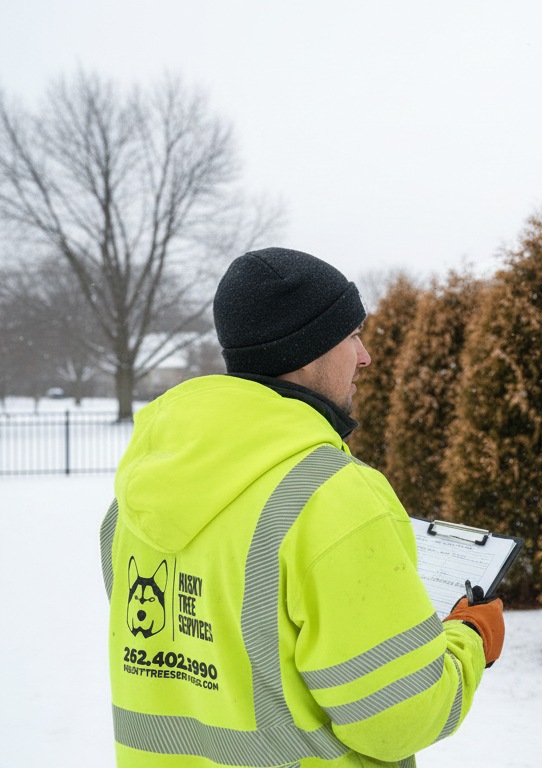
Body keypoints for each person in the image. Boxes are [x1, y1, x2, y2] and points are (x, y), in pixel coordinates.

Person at [101, 247, 505, 768]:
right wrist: (470, 638)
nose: (365, 357)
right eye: (353, 337)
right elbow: (399, 717)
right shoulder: (335, 498)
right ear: (308, 350)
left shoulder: (136, 499)